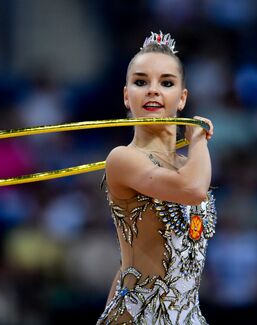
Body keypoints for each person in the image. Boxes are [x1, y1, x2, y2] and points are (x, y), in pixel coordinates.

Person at [97, 31, 216, 324]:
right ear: (127, 96)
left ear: (182, 98)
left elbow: (130, 262)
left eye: (166, 83)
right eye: (140, 82)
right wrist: (197, 137)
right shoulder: (123, 158)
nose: (153, 90)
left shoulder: (189, 165)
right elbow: (194, 190)